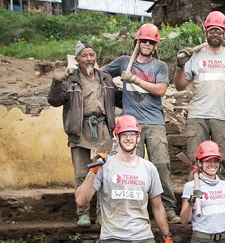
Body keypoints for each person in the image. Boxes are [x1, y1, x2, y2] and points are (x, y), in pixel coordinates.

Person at [102, 23, 180, 224]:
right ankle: (130, 209)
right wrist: (115, 92)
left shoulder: (160, 66)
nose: (147, 44)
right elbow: (100, 76)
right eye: (143, 40)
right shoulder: (123, 62)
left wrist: (134, 80)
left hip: (155, 123)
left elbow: (161, 90)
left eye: (151, 42)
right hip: (131, 125)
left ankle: (169, 208)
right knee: (129, 168)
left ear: (155, 45)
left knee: (161, 165)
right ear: (138, 41)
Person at [47, 40, 122, 227]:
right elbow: (55, 101)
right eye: (84, 55)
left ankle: (102, 213)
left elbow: (119, 100)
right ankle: (83, 214)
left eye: (91, 55)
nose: (88, 59)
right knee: (82, 174)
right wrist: (56, 82)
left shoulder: (105, 78)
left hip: (103, 129)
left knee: (103, 172)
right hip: (79, 131)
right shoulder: (70, 80)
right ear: (77, 59)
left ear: (96, 58)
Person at [173, 10, 225, 189]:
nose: (215, 34)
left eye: (219, 31)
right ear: (205, 32)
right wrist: (179, 66)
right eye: (212, 30)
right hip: (197, 116)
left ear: (224, 33)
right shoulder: (195, 56)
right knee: (194, 161)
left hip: (223, 117)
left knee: (224, 161)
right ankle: (194, 201)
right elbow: (180, 85)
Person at [75, 115, 174, 242]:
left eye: (132, 134)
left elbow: (158, 207)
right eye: (124, 134)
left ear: (138, 138)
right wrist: (93, 171)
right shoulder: (104, 166)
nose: (128, 138)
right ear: (117, 137)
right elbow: (81, 200)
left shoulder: (149, 168)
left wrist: (167, 236)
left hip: (143, 237)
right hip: (112, 238)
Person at [180, 141, 225, 243]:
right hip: (202, 239)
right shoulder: (191, 187)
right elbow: (184, 221)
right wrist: (190, 201)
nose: (213, 164)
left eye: (216, 161)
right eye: (208, 161)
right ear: (199, 163)